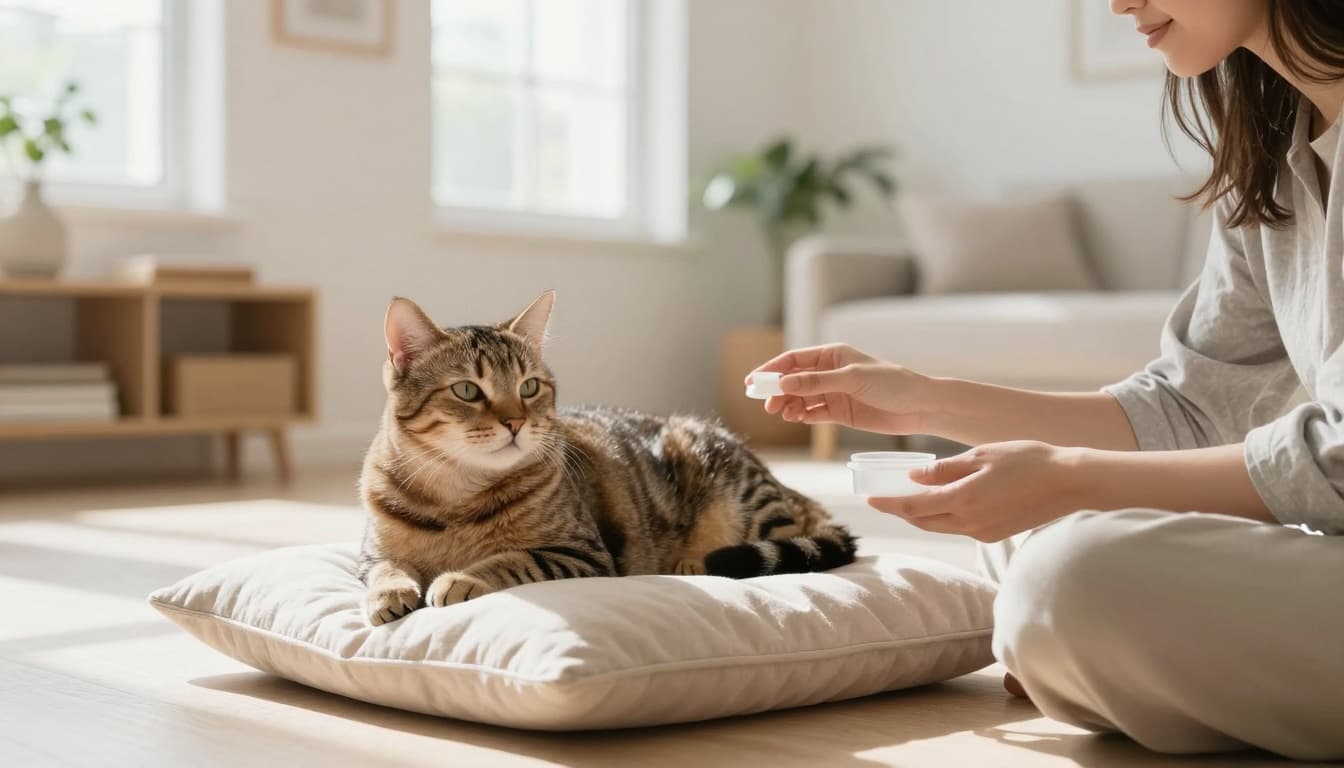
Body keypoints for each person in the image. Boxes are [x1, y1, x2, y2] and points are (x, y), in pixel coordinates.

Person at [749, 0, 1344, 759]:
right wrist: (915, 394)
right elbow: (1193, 409)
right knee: (1034, 540)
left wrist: (1071, 477)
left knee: (1071, 578)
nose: (1118, 1)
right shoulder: (1271, 157)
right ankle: (1099, 651)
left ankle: (1089, 648)